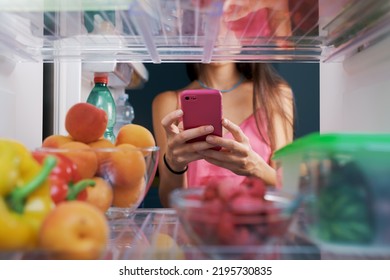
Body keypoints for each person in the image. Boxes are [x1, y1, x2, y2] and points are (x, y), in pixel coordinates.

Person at [152, 63, 295, 207]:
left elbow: (289, 190)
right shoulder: (168, 102)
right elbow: (169, 203)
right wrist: (174, 164)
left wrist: (255, 167)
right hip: (195, 226)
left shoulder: (276, 95)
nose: (218, 39)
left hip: (256, 225)